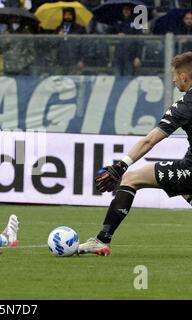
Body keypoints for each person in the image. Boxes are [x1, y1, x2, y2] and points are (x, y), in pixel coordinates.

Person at [78, 51, 192, 256]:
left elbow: (149, 141)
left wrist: (121, 165)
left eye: (175, 75)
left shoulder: (184, 106)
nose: (173, 80)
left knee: (131, 178)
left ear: (184, 77)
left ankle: (102, 240)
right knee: (184, 186)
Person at [110, 4, 142, 76]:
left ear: (131, 11)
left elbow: (140, 40)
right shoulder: (117, 22)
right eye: (124, 9)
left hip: (131, 55)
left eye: (128, 9)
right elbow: (109, 33)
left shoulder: (136, 22)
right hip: (118, 55)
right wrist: (116, 35)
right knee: (117, 78)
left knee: (128, 78)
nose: (126, 11)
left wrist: (138, 57)